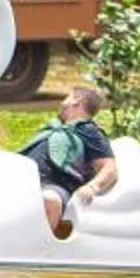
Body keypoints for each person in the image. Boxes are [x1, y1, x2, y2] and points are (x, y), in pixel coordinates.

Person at [27, 86, 118, 240]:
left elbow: (110, 168)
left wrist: (92, 187)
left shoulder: (88, 130)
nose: (62, 103)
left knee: (49, 200)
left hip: (55, 184)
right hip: (24, 179)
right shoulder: (50, 129)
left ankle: (33, 250)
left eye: (66, 98)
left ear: (77, 101)